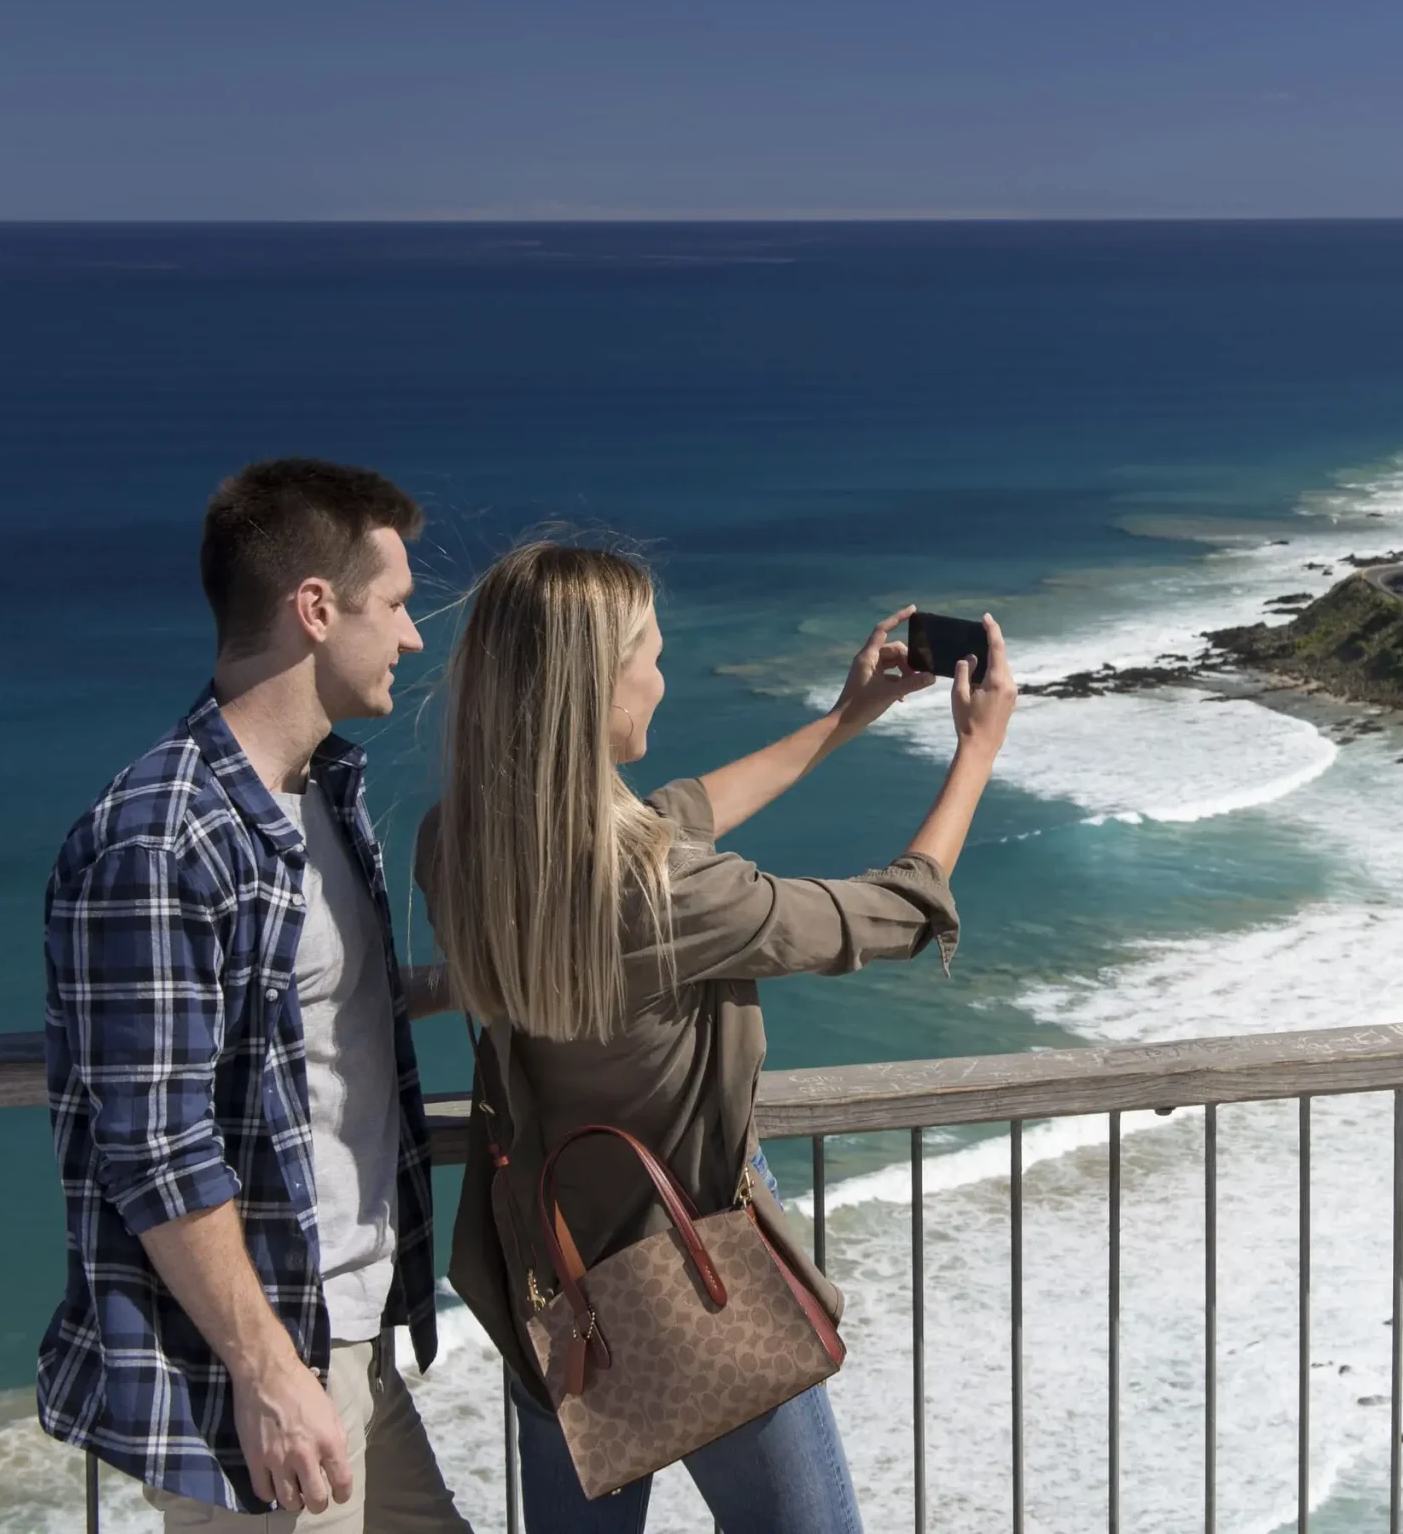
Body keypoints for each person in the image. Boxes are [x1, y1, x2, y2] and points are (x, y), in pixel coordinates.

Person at [417, 542, 1016, 1534]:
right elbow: (894, 912)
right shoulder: (666, 894)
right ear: (590, 691)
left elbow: (664, 819)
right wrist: (976, 750)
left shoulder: (464, 846)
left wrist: (844, 719)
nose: (662, 676)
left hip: (550, 1284)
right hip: (691, 1275)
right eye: (648, 655)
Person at [39, 458, 472, 1533]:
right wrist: (268, 1371)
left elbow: (311, 1014)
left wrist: (477, 984)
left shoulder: (324, 790)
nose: (413, 638)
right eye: (398, 605)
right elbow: (152, 1139)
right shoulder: (157, 834)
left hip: (354, 1338)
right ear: (316, 609)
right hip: (271, 1370)